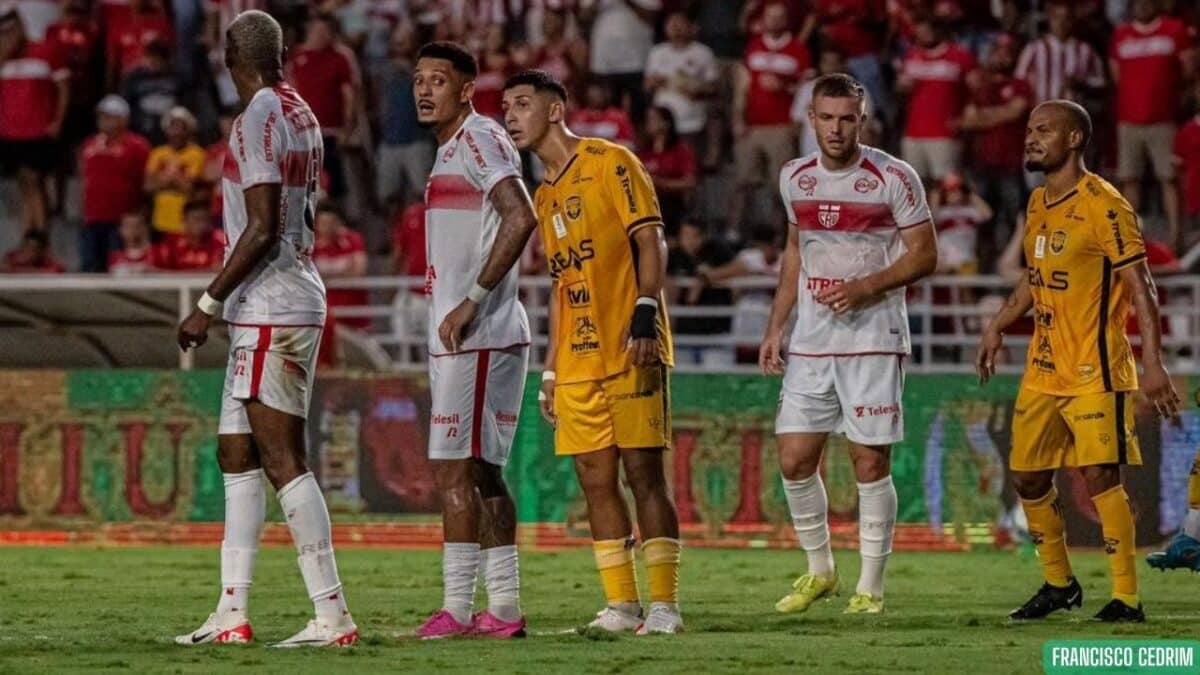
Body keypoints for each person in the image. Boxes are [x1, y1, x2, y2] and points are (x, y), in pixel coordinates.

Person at [174, 9, 358, 647]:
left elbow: (261, 225)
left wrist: (208, 302)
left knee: (282, 457)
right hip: (275, 298)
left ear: (230, 56)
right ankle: (232, 611)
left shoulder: (256, 115)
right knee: (236, 452)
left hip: (271, 303)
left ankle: (333, 615)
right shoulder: (300, 108)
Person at [976, 100, 1182, 623]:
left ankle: (1127, 599)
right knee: (1025, 477)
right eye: (1029, 129)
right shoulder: (1040, 202)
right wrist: (999, 322)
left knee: (1100, 477)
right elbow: (1033, 275)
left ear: (1074, 140)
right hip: (1044, 368)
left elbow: (1143, 288)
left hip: (1096, 369)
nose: (1031, 138)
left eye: (1044, 130)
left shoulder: (1105, 204)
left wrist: (1152, 363)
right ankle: (1059, 584)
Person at [503, 69, 683, 635]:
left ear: (555, 110)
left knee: (644, 476)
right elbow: (562, 285)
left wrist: (647, 313)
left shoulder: (611, 162)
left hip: (632, 346)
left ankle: (664, 606)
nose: (510, 115)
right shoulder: (544, 194)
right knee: (594, 481)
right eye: (505, 106)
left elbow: (648, 237)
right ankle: (622, 604)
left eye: (523, 104)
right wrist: (552, 369)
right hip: (578, 359)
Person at [760, 73, 937, 616]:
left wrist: (864, 287)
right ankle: (821, 572)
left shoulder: (894, 177)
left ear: (862, 120)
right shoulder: (794, 178)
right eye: (826, 118)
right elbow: (796, 250)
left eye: (847, 119)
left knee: (868, 462)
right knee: (793, 458)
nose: (836, 129)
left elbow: (925, 255)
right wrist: (776, 326)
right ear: (810, 119)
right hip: (813, 339)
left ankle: (871, 589)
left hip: (873, 336)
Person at [410, 41, 538, 640]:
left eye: (439, 80)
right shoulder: (447, 152)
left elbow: (521, 214)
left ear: (466, 89)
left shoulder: (481, 138)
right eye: (419, 79)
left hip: (478, 335)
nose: (425, 89)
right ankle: (505, 610)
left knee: (455, 469)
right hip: (469, 333)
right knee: (481, 471)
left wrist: (473, 300)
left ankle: (458, 609)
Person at [1109, 0, 1193, 252]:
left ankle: (1176, 239)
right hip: (1128, 121)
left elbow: (1188, 70)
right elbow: (1116, 75)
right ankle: (1128, 241)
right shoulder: (1121, 34)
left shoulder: (1174, 29)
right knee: (1129, 180)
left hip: (1163, 119)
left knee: (1169, 178)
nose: (1141, 5)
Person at [732, 1, 810, 233]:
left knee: (781, 187)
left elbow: (806, 90)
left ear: (787, 20)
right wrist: (738, 117)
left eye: (779, 17)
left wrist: (783, 87)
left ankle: (781, 235)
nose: (774, 21)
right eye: (770, 17)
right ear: (763, 19)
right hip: (752, 126)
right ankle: (735, 232)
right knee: (743, 183)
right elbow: (742, 86)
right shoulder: (754, 46)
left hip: (781, 127)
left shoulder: (799, 50)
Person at [0, 8, 70, 234]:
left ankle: (40, 234)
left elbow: (64, 89)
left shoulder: (47, 51)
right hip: (11, 131)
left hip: (38, 130)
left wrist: (57, 122)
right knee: (23, 183)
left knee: (35, 180)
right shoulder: (4, 59)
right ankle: (28, 233)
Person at [896, 16, 977, 183]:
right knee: (913, 186)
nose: (924, 35)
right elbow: (900, 94)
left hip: (944, 134)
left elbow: (978, 90)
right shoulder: (911, 56)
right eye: (920, 32)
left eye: (928, 31)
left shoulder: (960, 56)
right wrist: (901, 88)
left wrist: (966, 116)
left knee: (947, 186)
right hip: (912, 134)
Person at [79, 95, 151, 272]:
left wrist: (138, 213)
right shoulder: (89, 144)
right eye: (102, 116)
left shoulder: (137, 145)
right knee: (90, 267)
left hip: (121, 220)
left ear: (123, 118)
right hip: (92, 217)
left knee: (117, 268)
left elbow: (144, 180)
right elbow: (84, 178)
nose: (103, 121)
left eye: (109, 116)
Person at [643, 11, 718, 147]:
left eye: (680, 23)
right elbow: (647, 85)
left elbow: (713, 87)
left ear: (691, 26)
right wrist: (655, 82)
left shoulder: (703, 53)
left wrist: (694, 88)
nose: (675, 27)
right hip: (663, 124)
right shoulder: (657, 52)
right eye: (671, 23)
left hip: (692, 121)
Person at [145, 106, 206, 236]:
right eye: (173, 127)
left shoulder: (197, 154)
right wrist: (176, 180)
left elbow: (189, 188)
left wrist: (165, 179)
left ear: (188, 131)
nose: (177, 132)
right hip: (159, 221)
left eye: (182, 128)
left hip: (184, 222)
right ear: (166, 130)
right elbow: (148, 186)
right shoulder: (157, 153)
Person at [639, 106, 696, 235]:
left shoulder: (680, 150)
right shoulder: (643, 151)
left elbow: (689, 182)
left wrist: (660, 183)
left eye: (653, 119)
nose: (648, 123)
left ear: (666, 123)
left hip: (671, 203)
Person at [311, 201, 369, 329]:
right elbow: (309, 277)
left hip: (355, 317)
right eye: (323, 223)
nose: (327, 227)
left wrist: (325, 277)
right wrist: (344, 273)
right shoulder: (311, 244)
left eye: (331, 223)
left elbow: (359, 271)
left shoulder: (353, 239)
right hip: (325, 319)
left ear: (338, 222)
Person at [159, 201, 225, 272]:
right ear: (184, 221)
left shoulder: (219, 240)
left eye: (204, 219)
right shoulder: (171, 241)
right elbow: (153, 269)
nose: (201, 224)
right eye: (196, 219)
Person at [108, 209, 162, 275]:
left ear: (146, 228)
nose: (132, 230)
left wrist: (153, 272)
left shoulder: (159, 253)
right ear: (120, 230)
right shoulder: (115, 257)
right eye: (128, 226)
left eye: (137, 226)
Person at [1, 230, 66, 273]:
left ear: (41, 251)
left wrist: (16, 270)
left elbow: (57, 270)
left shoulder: (47, 261)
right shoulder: (13, 257)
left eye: (32, 249)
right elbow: (3, 267)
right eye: (25, 247)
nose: (27, 252)